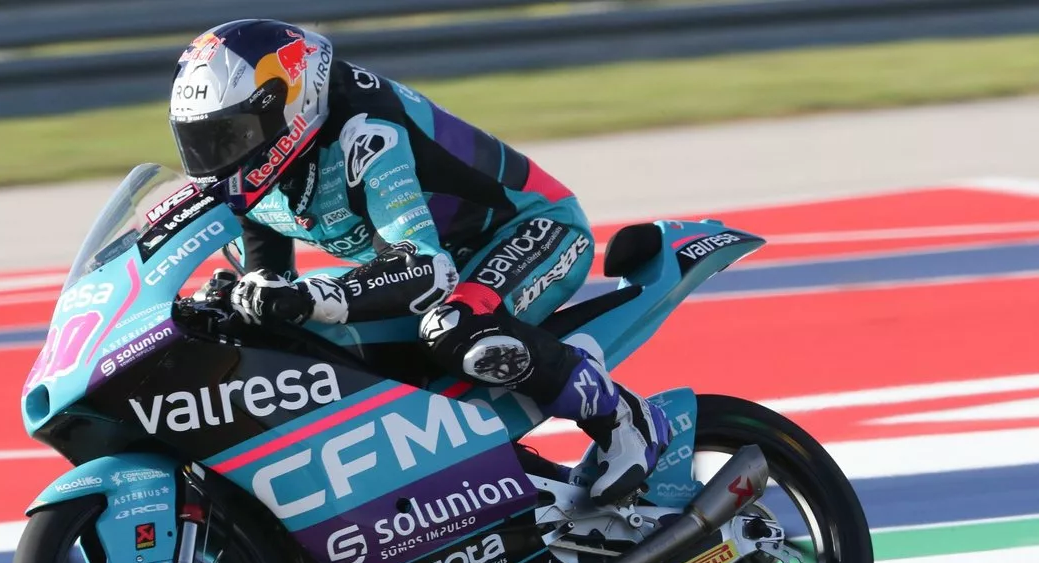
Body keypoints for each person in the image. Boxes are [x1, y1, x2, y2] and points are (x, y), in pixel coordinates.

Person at [168, 19, 668, 505]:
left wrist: (312, 296)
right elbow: (269, 279)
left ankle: (622, 418)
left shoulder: (365, 128)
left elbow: (427, 269)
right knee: (306, 343)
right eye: (200, 142)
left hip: (531, 230)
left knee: (454, 327)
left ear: (289, 105)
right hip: (437, 263)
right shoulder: (249, 175)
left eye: (231, 135)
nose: (216, 156)